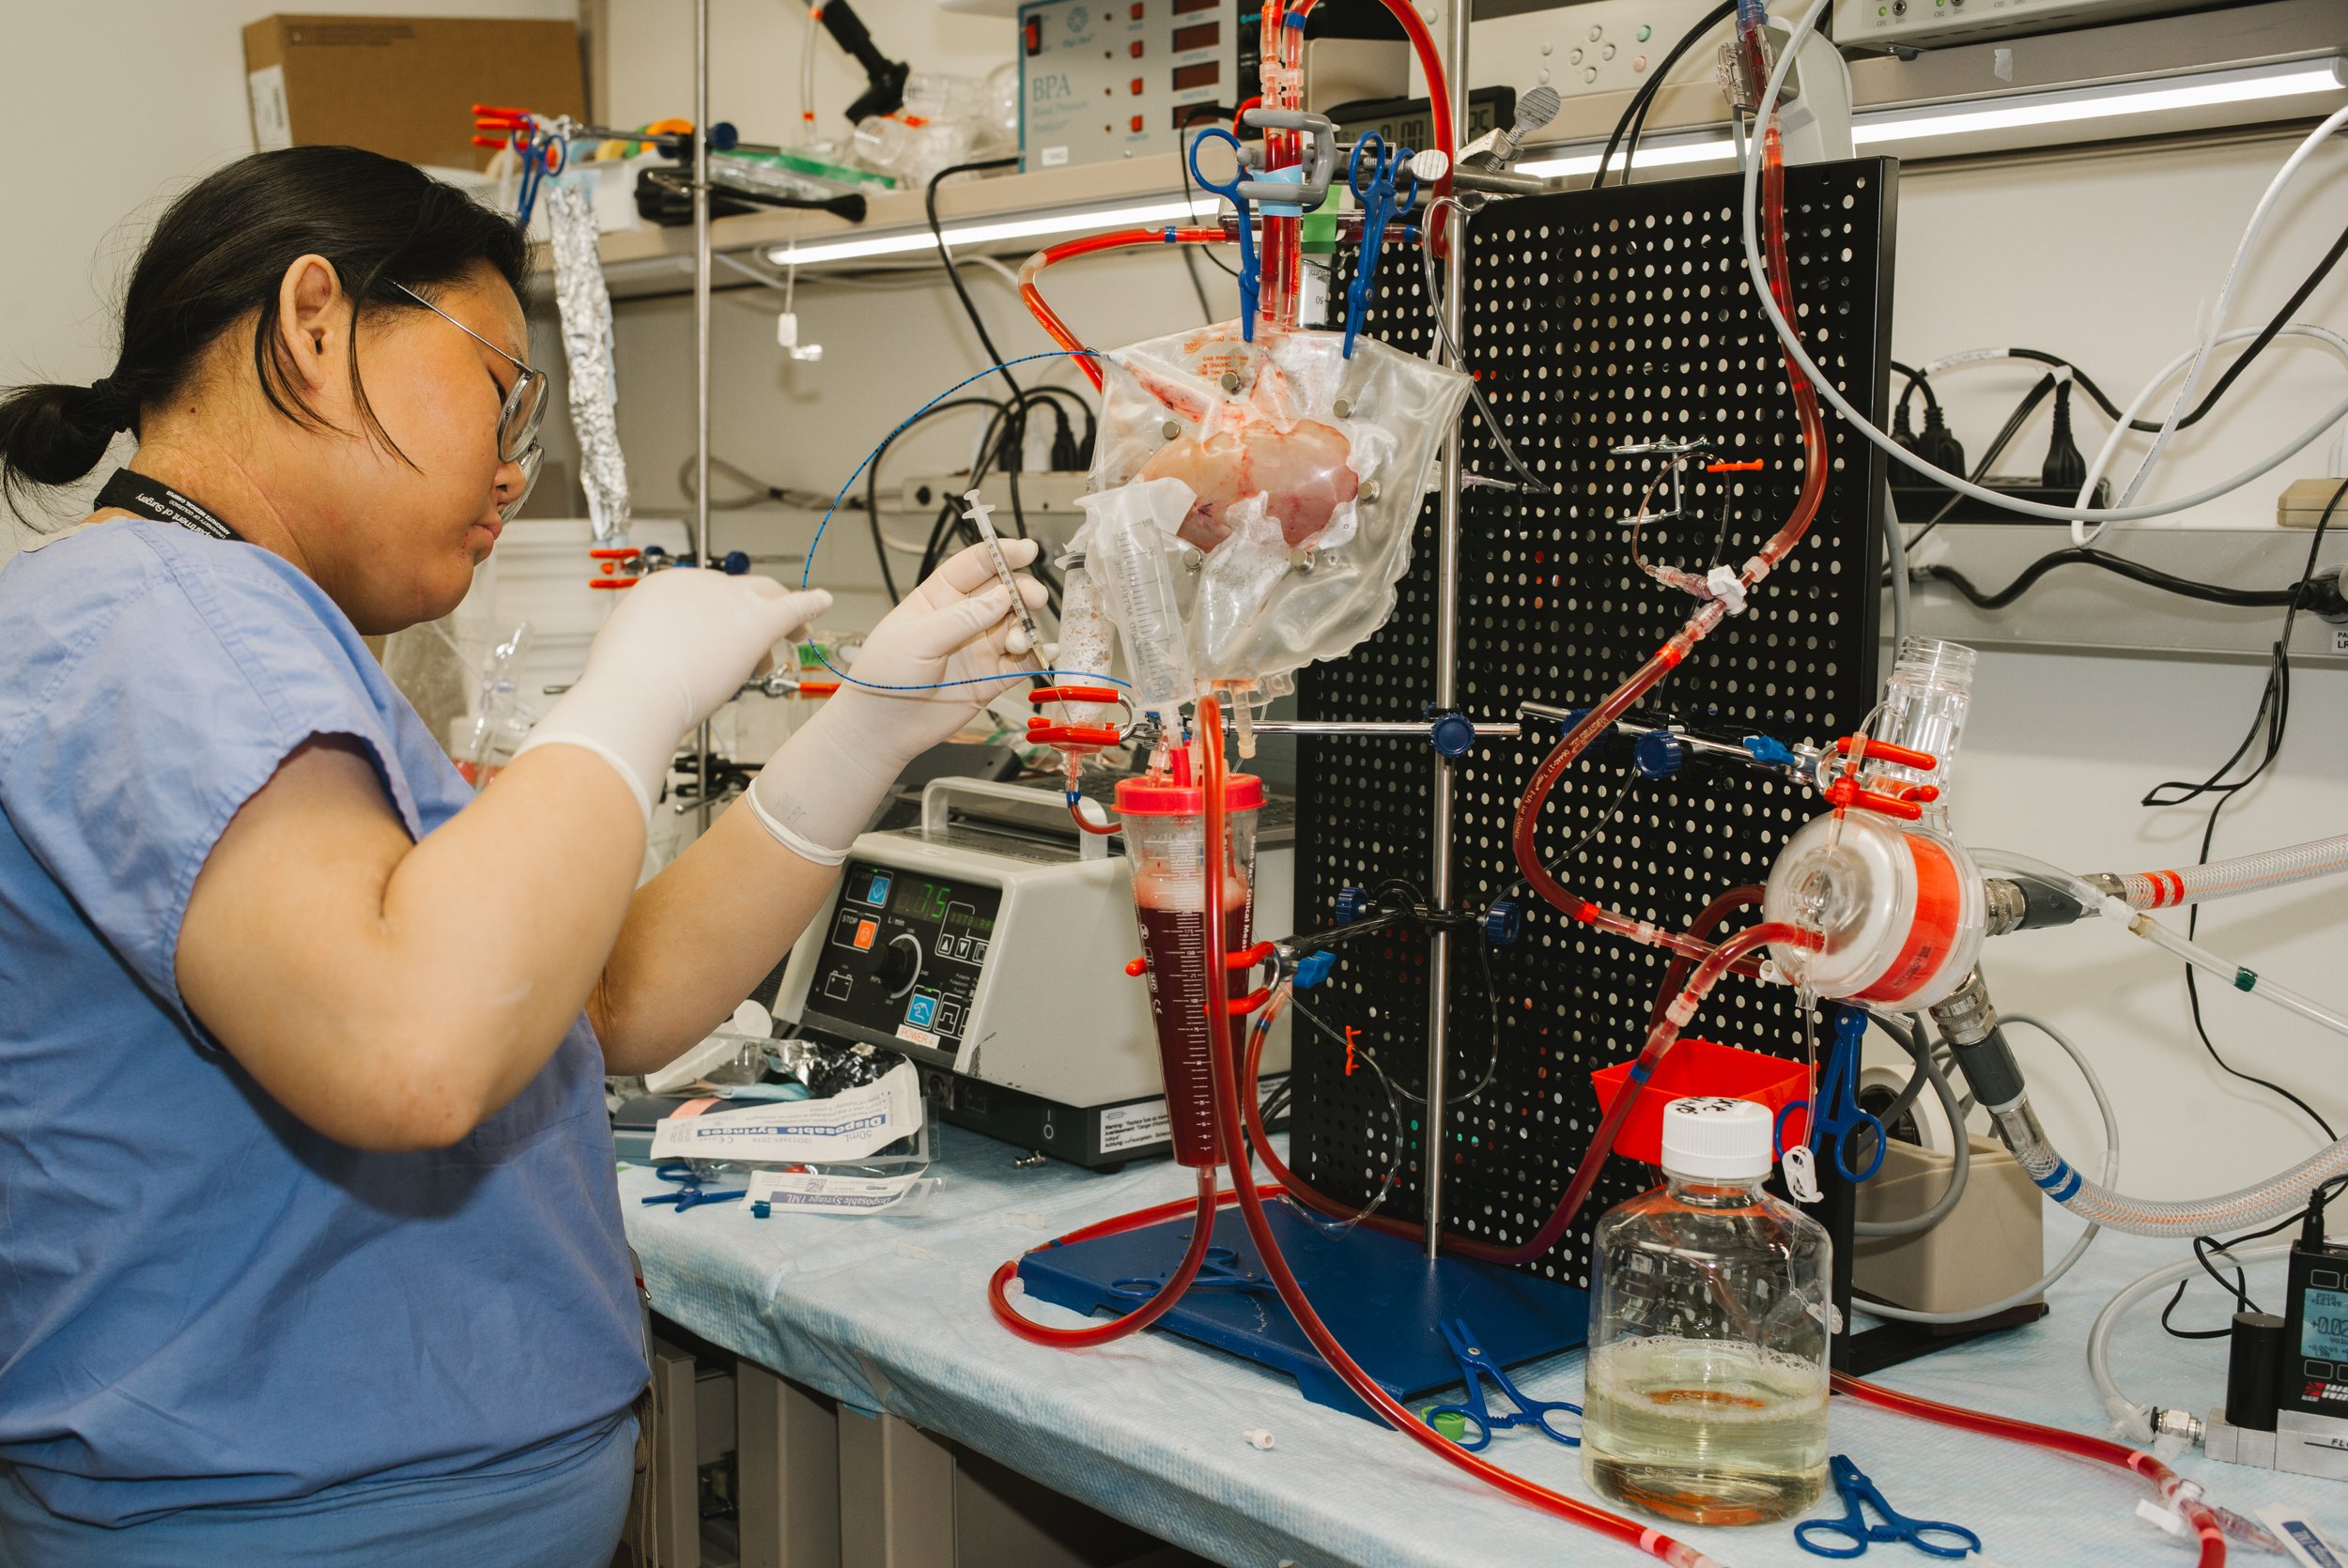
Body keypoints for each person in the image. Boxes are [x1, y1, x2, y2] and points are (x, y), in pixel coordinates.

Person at [0, 146, 1045, 1565]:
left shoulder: (243, 627)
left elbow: (584, 1000)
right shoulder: (159, 620)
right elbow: (415, 1045)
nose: (511, 467)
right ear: (315, 326)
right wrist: (622, 704)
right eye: (499, 389)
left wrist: (859, 737)